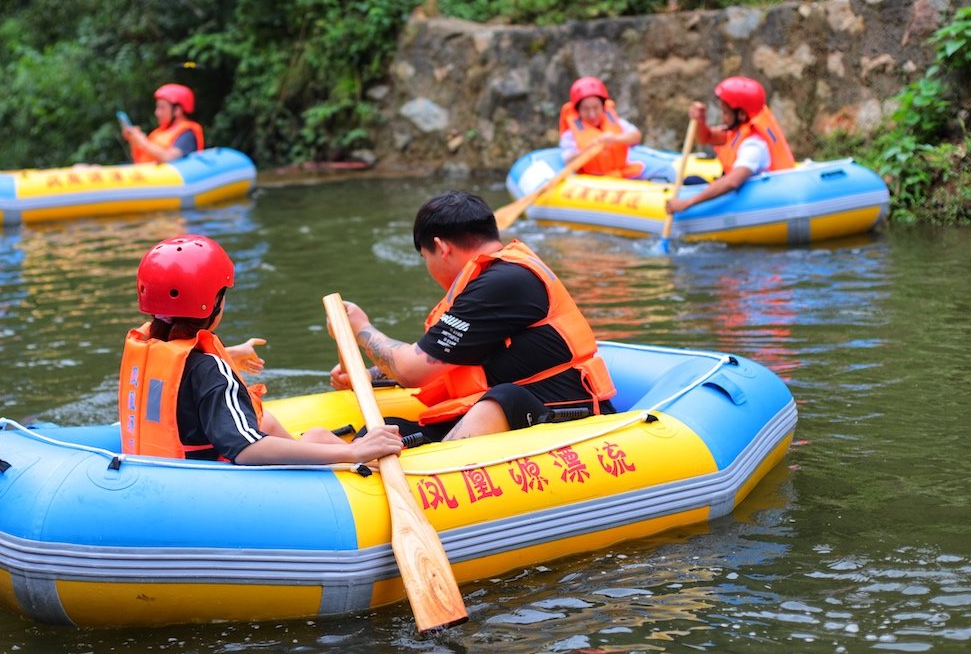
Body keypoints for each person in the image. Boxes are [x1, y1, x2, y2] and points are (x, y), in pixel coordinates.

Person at [329, 191, 616, 442]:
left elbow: (412, 369)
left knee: (503, 399)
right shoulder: (492, 281)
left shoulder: (502, 282)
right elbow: (448, 359)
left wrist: (360, 329)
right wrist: (367, 375)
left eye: (425, 257)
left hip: (564, 413)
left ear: (441, 248)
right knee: (386, 429)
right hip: (518, 413)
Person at [119, 234, 402, 465]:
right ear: (214, 303)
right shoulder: (211, 370)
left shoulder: (149, 347)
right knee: (318, 436)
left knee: (267, 421)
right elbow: (244, 449)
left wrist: (228, 355)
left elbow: (179, 377)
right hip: (208, 483)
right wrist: (353, 452)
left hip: (160, 467)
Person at [665, 76, 795, 216]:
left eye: (725, 113)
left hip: (755, 199)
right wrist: (700, 120)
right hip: (739, 190)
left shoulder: (753, 146)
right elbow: (705, 138)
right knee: (692, 180)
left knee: (693, 184)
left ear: (741, 114)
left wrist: (687, 203)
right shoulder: (739, 129)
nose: (722, 117)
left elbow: (732, 182)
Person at [558, 77, 644, 178]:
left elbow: (636, 136)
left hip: (621, 174)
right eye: (585, 109)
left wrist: (614, 138)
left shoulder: (616, 122)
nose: (592, 114)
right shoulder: (570, 135)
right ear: (578, 110)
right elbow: (569, 161)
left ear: (603, 106)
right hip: (593, 181)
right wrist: (589, 149)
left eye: (596, 107)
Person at [123, 83, 204, 164]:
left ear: (177, 110)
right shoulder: (158, 133)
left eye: (162, 108)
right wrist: (134, 141)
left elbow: (170, 158)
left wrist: (142, 142)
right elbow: (140, 161)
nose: (156, 113)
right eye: (157, 107)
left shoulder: (188, 132)